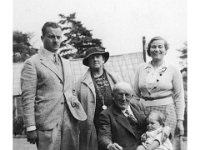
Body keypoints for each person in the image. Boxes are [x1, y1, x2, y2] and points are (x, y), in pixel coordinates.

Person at [21, 21, 87, 150]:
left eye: (58, 37)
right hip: (47, 124)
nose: (56, 41)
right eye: (51, 37)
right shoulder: (32, 63)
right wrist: (30, 127)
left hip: (70, 123)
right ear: (42, 38)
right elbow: (27, 98)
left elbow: (70, 90)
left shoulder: (67, 63)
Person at [133, 36, 185, 139]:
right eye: (153, 47)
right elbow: (135, 95)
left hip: (167, 112)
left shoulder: (173, 69)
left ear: (165, 50)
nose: (157, 49)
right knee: (146, 142)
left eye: (160, 47)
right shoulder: (141, 68)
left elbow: (179, 97)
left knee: (165, 143)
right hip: (144, 113)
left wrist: (180, 121)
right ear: (149, 50)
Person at [76, 46, 122, 150]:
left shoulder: (115, 77)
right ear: (88, 62)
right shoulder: (80, 83)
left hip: (115, 120)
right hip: (94, 124)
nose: (95, 59)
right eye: (91, 57)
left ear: (103, 59)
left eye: (98, 56)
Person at [98, 82, 147, 150]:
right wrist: (109, 145)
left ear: (132, 96)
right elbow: (104, 136)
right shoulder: (106, 114)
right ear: (113, 96)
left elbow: (149, 123)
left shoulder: (138, 106)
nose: (123, 99)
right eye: (120, 94)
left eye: (127, 95)